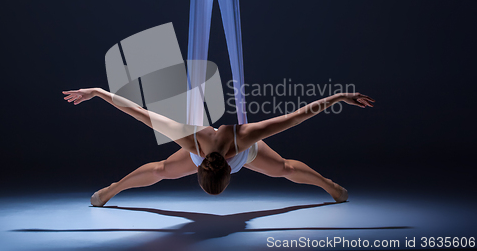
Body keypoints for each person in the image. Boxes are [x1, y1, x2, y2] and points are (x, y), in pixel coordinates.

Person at [62, 88, 374, 206]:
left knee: (160, 169)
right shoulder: (239, 138)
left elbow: (140, 114)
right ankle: (331, 188)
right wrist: (338, 97)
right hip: (237, 151)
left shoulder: (197, 142)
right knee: (286, 168)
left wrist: (100, 92)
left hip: (226, 150)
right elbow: (297, 117)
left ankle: (111, 190)